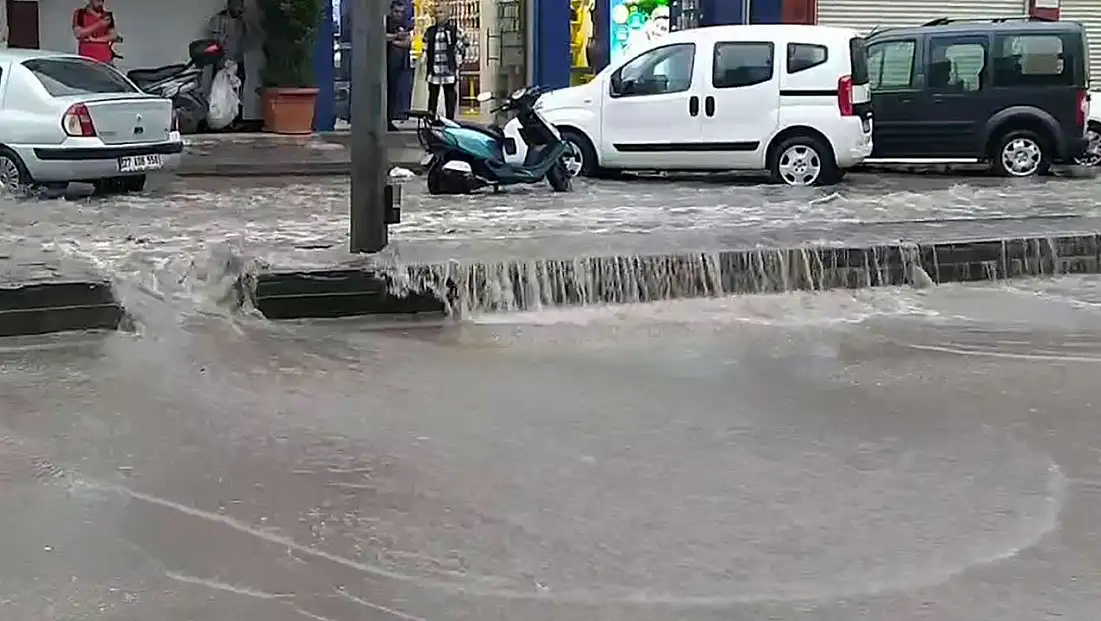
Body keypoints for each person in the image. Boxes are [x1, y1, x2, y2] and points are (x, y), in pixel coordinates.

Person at [207, 0, 250, 127]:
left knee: (238, 93)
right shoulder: (218, 20)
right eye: (237, 5)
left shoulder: (241, 22)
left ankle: (236, 122)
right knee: (220, 94)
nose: (240, 8)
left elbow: (244, 42)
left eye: (241, 5)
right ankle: (220, 123)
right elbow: (215, 42)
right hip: (222, 63)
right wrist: (223, 60)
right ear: (230, 5)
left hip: (238, 62)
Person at [423, 4, 468, 120]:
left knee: (450, 95)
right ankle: (431, 119)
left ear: (448, 15)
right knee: (433, 96)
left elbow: (464, 44)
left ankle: (450, 120)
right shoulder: (430, 31)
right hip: (434, 69)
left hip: (448, 68)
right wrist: (425, 59)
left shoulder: (453, 30)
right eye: (436, 13)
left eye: (441, 12)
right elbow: (426, 47)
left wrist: (458, 57)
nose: (438, 16)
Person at [385, 0, 412, 131]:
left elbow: (408, 43)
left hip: (398, 64)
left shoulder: (403, 24)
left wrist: (393, 41)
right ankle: (385, 120)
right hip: (386, 64)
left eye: (401, 12)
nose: (398, 15)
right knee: (386, 93)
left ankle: (391, 118)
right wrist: (396, 37)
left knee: (394, 93)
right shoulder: (387, 23)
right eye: (396, 11)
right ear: (391, 10)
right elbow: (381, 37)